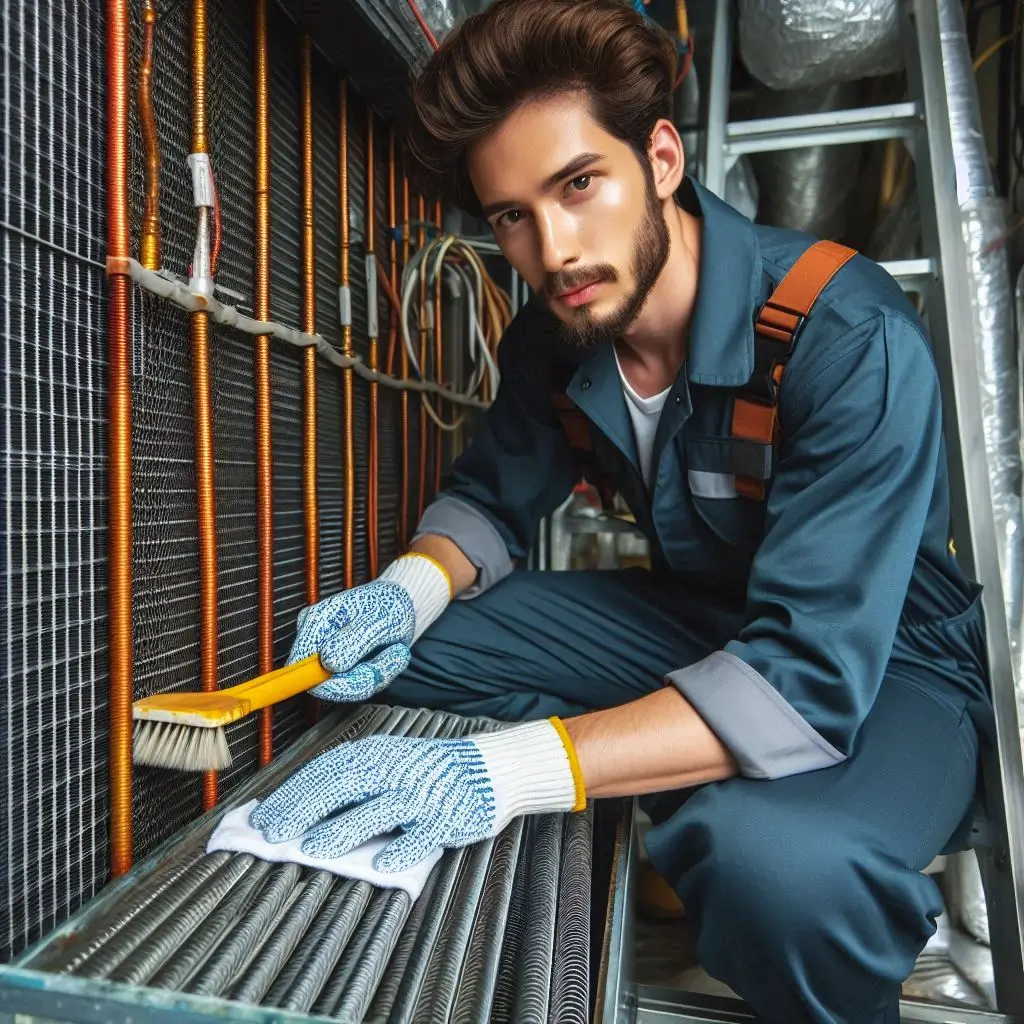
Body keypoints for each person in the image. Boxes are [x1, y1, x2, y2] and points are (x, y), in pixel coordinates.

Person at [250, 1, 994, 1020]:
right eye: (511, 214)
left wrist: (501, 773)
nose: (552, 248)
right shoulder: (556, 336)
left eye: (577, 185)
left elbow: (808, 676)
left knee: (774, 868)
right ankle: (656, 775)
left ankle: (737, 841)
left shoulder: (840, 330)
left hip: (882, 664)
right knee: (393, 655)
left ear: (659, 157)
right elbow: (489, 498)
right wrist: (406, 589)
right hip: (701, 619)